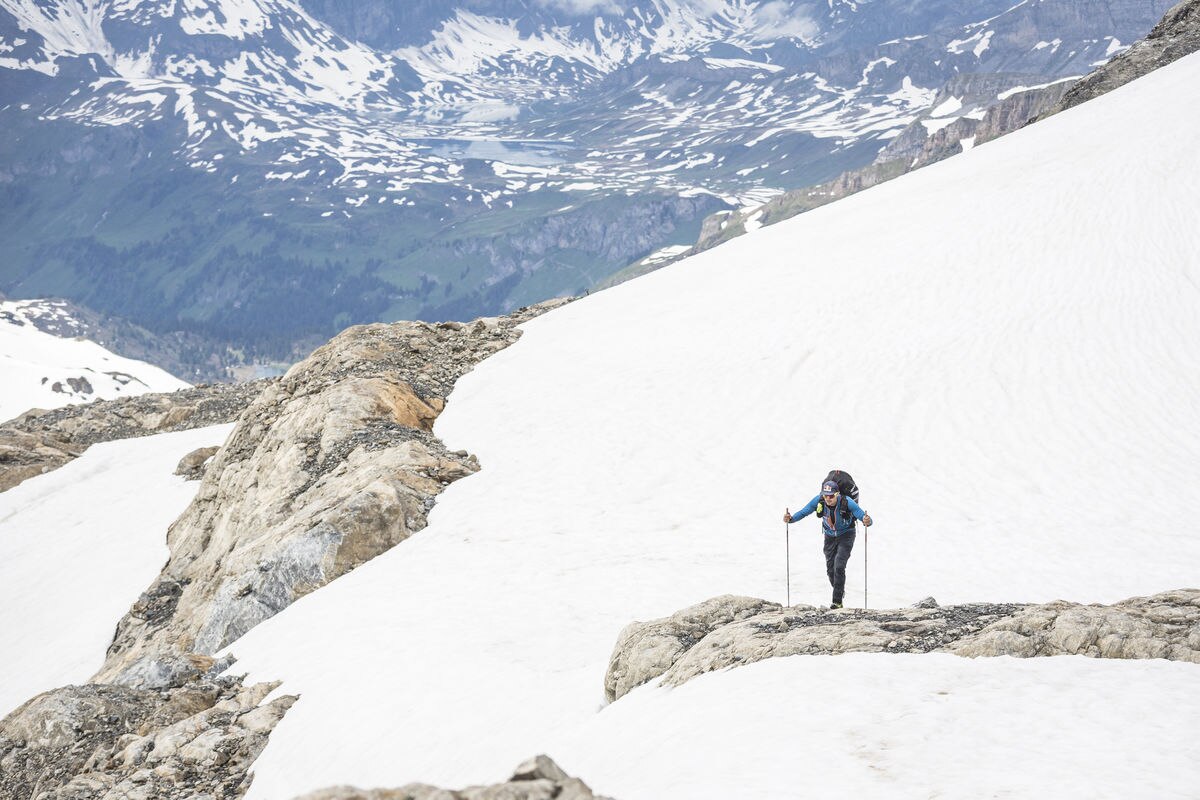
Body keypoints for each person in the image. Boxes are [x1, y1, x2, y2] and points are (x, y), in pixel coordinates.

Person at [784, 479, 873, 609]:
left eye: (831, 496)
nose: (828, 499)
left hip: (846, 535)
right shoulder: (819, 500)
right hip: (829, 536)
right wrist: (790, 519)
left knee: (839, 566)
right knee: (830, 570)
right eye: (825, 495)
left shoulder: (847, 502)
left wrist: (867, 520)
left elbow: (864, 518)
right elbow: (804, 511)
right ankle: (840, 591)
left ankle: (837, 602)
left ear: (837, 494)